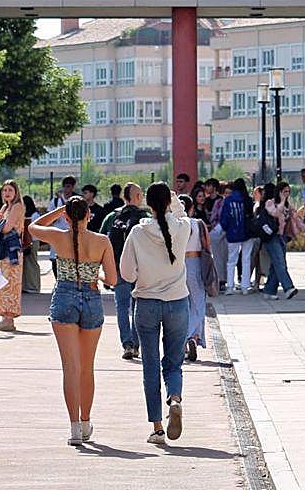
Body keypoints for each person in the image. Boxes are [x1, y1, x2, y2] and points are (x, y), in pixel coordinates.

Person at [30, 196, 117, 446]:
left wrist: (59, 211)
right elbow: (112, 279)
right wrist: (96, 274)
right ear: (89, 215)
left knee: (70, 366)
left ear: (67, 217)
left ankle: (74, 428)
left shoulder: (59, 236)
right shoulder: (101, 241)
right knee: (87, 367)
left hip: (64, 296)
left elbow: (33, 228)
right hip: (91, 297)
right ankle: (87, 420)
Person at [121, 183, 192, 445]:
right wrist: (175, 202)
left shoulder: (138, 232)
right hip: (177, 301)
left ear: (147, 204)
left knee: (150, 366)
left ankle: (158, 428)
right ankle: (175, 398)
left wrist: (143, 276)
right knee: (173, 363)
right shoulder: (183, 228)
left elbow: (127, 273)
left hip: (147, 302)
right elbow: (183, 216)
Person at [102, 182, 148, 359]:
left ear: (123, 197)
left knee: (121, 306)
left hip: (118, 266)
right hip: (140, 267)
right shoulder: (145, 217)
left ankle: (127, 344)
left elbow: (102, 241)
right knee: (137, 305)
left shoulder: (112, 217)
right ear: (137, 197)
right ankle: (136, 345)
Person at [0, 180, 27, 331]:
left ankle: (9, 319)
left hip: (12, 247)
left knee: (11, 282)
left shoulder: (17, 206)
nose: (7, 193)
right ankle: (4, 317)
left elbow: (6, 228)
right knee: (1, 280)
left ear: (16, 192)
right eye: (4, 190)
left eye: (10, 190)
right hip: (3, 246)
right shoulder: (5, 207)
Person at [183, 197, 214, 362]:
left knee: (183, 304)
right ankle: (191, 335)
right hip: (195, 261)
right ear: (191, 208)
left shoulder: (174, 225)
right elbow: (207, 246)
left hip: (178, 265)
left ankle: (187, 338)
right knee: (198, 302)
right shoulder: (197, 223)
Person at [260, 182, 299, 301]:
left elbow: (295, 219)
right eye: (284, 191)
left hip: (282, 237)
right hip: (271, 237)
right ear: (278, 192)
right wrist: (281, 201)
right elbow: (275, 213)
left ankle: (269, 290)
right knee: (280, 263)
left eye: (288, 192)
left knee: (276, 265)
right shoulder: (270, 202)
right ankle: (288, 288)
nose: (286, 194)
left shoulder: (288, 206)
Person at [220, 178, 254, 295]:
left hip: (233, 233)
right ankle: (245, 286)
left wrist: (226, 228)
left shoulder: (228, 200)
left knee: (231, 260)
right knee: (246, 259)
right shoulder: (248, 200)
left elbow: (224, 219)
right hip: (248, 233)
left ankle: (230, 286)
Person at [21, 194, 43, 293]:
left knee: (32, 264)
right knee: (28, 265)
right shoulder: (29, 214)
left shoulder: (34, 215)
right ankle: (28, 285)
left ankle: (33, 286)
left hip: (33, 241)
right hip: (29, 241)